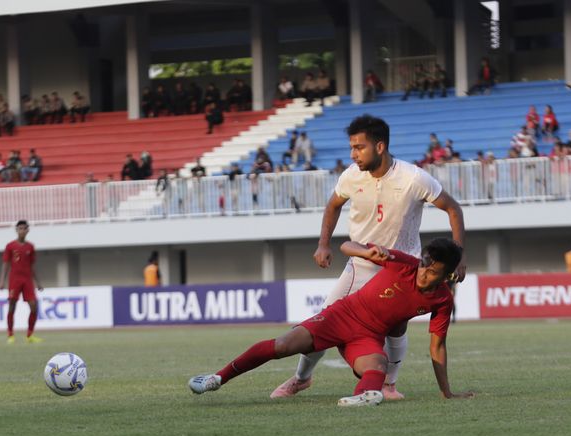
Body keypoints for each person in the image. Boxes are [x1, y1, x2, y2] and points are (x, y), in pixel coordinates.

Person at [269, 114, 466, 401]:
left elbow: (453, 208)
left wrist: (457, 256)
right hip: (361, 265)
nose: (353, 154)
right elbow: (333, 205)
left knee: (397, 328)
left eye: (359, 147)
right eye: (352, 147)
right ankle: (301, 378)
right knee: (322, 321)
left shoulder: (413, 178)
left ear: (380, 146)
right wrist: (324, 244)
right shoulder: (351, 175)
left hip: (404, 268)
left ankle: (389, 385)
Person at [189, 239, 474, 406]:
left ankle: (364, 397)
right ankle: (217, 378)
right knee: (284, 344)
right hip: (339, 316)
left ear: (446, 275)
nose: (423, 272)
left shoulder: (442, 301)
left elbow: (437, 347)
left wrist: (446, 392)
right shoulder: (404, 262)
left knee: (377, 365)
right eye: (423, 264)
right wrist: (366, 253)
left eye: (431, 271)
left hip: (368, 337)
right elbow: (346, 245)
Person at [0, 220, 43, 344]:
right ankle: (10, 335)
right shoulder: (10, 246)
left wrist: (38, 282)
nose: (22, 231)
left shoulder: (30, 247)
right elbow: (6, 264)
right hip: (15, 279)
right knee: (12, 305)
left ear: (28, 230)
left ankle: (30, 335)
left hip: (27, 280)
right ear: (16, 230)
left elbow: (32, 265)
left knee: (34, 306)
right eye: (20, 228)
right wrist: (2, 280)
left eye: (24, 228)